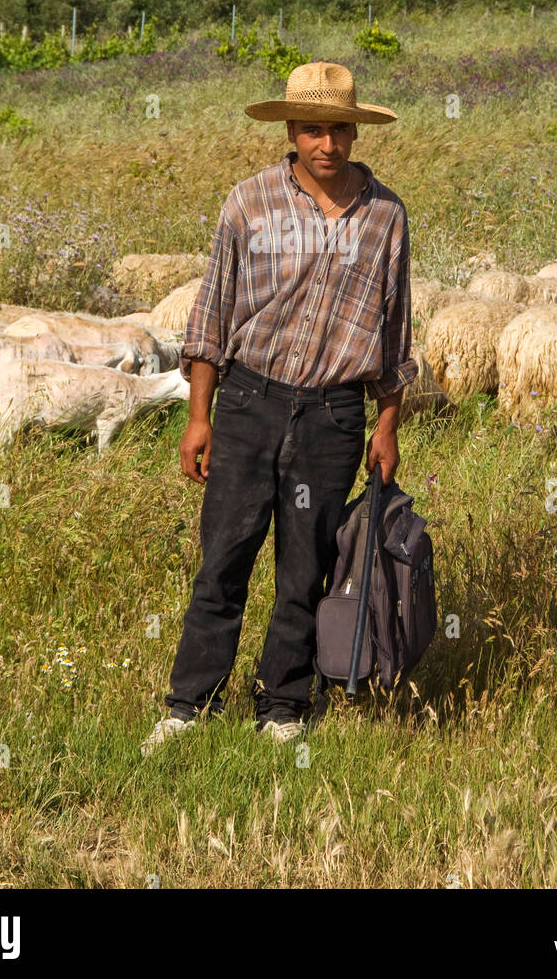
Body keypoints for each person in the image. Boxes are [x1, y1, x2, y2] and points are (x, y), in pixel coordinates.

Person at [140, 60, 417, 754]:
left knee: (306, 565)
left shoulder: (385, 216)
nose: (328, 145)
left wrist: (386, 425)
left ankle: (283, 706)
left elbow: (396, 330)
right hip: (248, 400)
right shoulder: (248, 204)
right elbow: (211, 314)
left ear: (355, 134)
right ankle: (187, 706)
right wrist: (199, 415)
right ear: (291, 130)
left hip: (333, 414)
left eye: (340, 131)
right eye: (314, 130)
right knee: (224, 556)